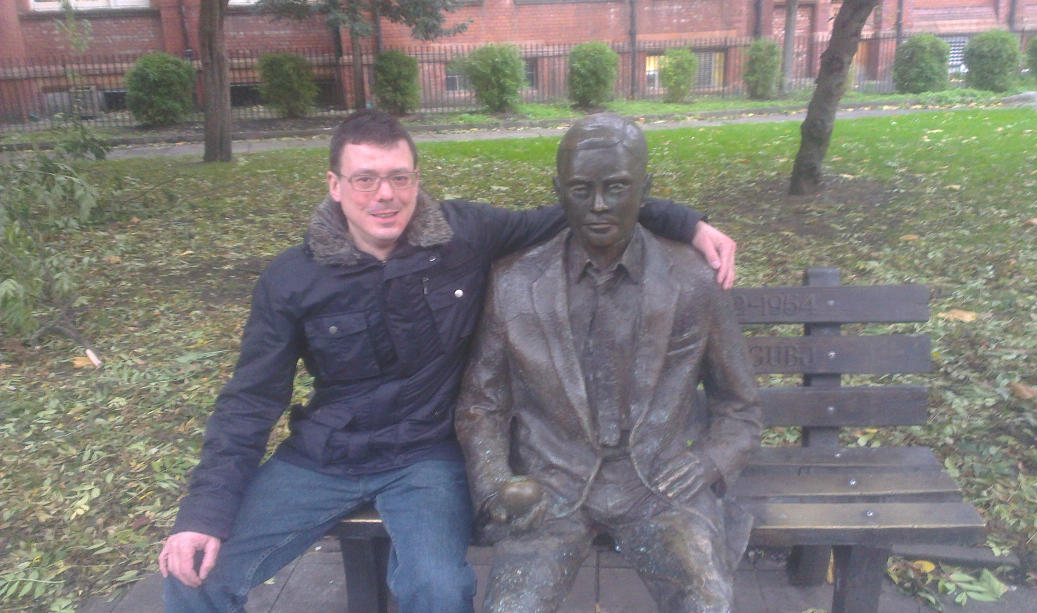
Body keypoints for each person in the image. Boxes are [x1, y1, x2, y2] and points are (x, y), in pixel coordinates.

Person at [158, 109, 739, 613]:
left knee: (437, 590)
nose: (384, 195)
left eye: (399, 177)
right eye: (365, 179)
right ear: (334, 185)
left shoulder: (463, 236)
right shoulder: (291, 280)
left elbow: (582, 206)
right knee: (193, 577)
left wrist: (687, 223)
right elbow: (249, 401)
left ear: (416, 179)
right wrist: (203, 514)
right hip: (324, 457)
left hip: (424, 459)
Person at [455, 113, 761, 612]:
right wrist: (497, 485)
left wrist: (709, 462)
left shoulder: (692, 281)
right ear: (559, 191)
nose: (599, 205)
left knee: (707, 603)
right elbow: (480, 406)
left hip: (658, 489)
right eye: (581, 190)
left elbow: (740, 407)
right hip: (552, 491)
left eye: (616, 188)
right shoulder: (514, 283)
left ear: (645, 189)